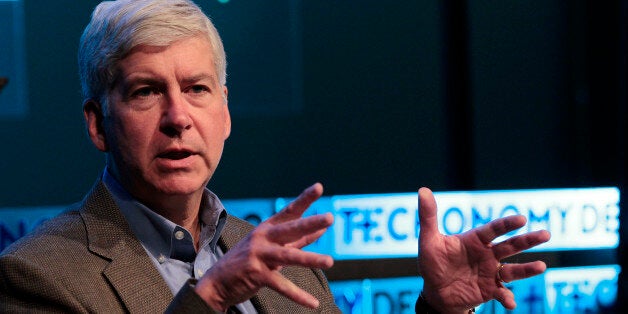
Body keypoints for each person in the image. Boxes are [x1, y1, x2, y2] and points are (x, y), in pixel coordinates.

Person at [0, 0, 551, 313]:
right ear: (98, 123)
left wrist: (437, 311)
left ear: (226, 114)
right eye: (145, 92)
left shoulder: (276, 257)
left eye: (196, 88)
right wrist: (210, 297)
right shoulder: (37, 273)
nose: (177, 117)